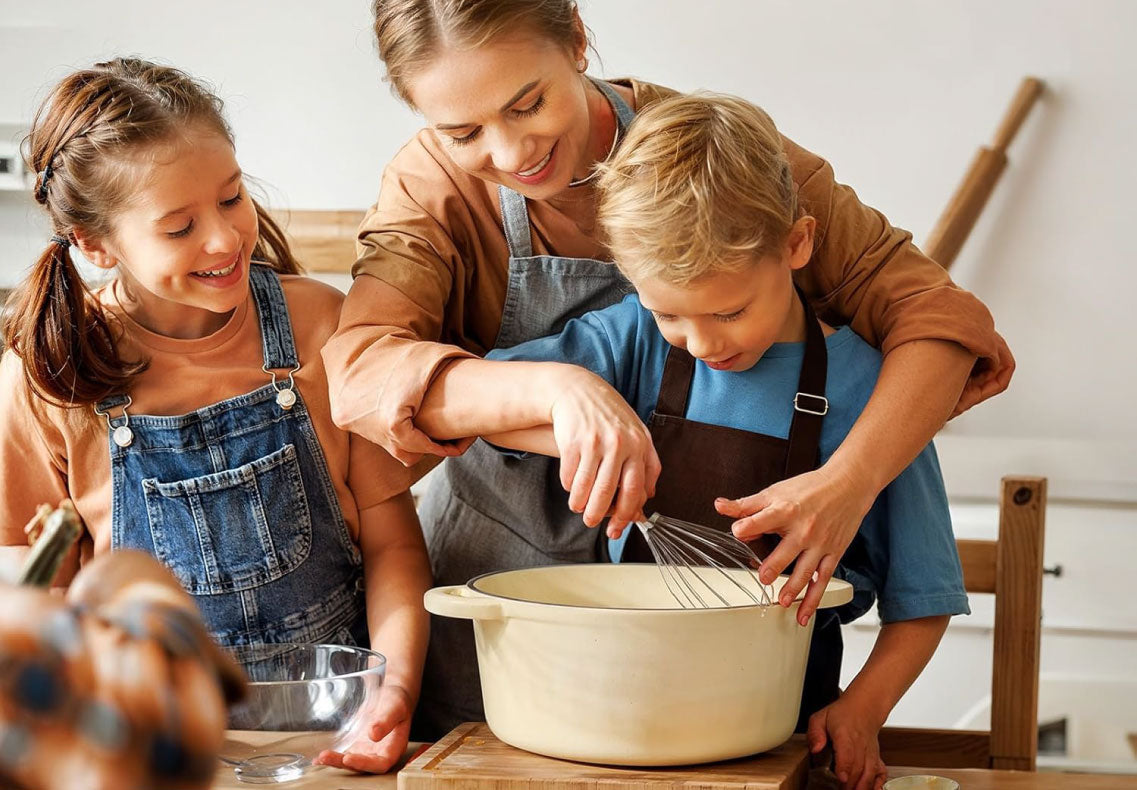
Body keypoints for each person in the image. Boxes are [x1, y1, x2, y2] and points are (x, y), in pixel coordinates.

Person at [322, 0, 1009, 736]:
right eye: (463, 133)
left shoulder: (715, 161)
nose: (512, 151)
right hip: (500, 589)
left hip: (710, 660)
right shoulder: (430, 187)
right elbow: (362, 369)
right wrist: (559, 390)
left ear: (577, 40)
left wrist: (849, 481)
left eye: (528, 104)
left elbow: (938, 320)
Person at [417, 93, 969, 790]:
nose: (702, 343)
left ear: (796, 245)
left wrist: (863, 708)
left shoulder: (871, 395)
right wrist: (571, 403)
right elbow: (465, 407)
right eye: (670, 313)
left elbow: (924, 598)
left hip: (775, 725)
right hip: (615, 709)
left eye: (730, 311)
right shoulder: (634, 340)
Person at [0, 58, 429, 773]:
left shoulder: (323, 329)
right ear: (95, 243)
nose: (225, 239)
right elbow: (27, 583)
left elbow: (396, 548)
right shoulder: (50, 376)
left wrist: (395, 692)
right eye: (179, 228)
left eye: (232, 197)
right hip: (146, 760)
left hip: (336, 746)